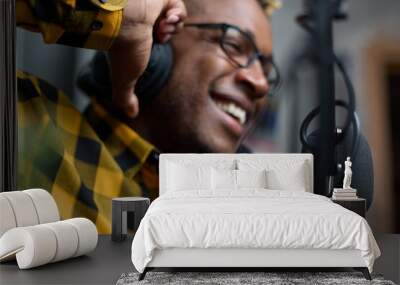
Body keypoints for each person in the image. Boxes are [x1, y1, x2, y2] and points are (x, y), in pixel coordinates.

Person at [17, 0, 280, 233]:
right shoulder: (35, 122)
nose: (260, 84)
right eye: (233, 45)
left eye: (267, 72)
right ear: (156, 43)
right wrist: (124, 17)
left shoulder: (244, 207)